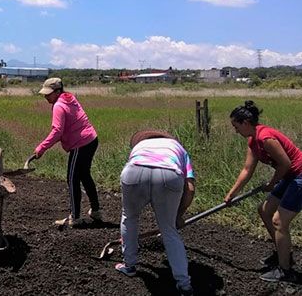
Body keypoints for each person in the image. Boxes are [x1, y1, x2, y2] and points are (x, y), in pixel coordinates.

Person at [225, 100, 302, 282]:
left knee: (279, 222)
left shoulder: (265, 137)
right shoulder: (253, 141)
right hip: (291, 177)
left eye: (236, 126)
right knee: (264, 210)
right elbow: (247, 170)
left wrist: (271, 183)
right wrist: (231, 194)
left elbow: (285, 163)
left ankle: (285, 270)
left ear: (245, 123)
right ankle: (283, 253)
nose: (235, 131)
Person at [115, 130, 195, 296]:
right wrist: (178, 215)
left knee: (129, 217)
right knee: (169, 231)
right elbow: (190, 188)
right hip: (169, 175)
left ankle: (129, 265)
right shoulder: (179, 149)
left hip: (134, 171)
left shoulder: (139, 147)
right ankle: (184, 284)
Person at [33, 77, 102, 227]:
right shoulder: (69, 98)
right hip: (91, 139)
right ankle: (96, 211)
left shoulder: (59, 105)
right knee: (84, 175)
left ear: (57, 91)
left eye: (48, 93)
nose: (46, 96)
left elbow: (57, 131)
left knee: (72, 179)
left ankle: (75, 217)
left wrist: (42, 147)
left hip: (81, 144)